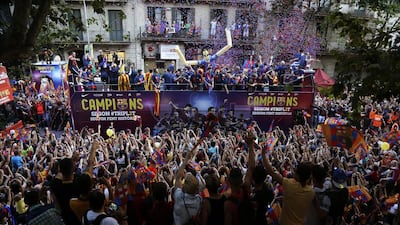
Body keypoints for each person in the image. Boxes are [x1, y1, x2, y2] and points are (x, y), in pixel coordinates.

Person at [260, 138, 315, 225]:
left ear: (297, 175)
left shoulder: (289, 184)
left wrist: (263, 154)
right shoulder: (311, 192)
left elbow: (271, 172)